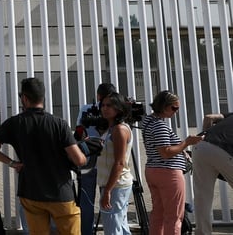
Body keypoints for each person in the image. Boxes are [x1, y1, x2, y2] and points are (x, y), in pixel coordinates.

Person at [0, 77, 87, 235]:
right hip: (60, 192)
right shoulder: (59, 124)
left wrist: (12, 163)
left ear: (24, 98)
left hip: (31, 191)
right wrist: (84, 148)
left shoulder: (14, 123)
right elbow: (79, 160)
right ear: (43, 97)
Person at [140, 90, 203, 235]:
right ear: (163, 106)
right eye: (174, 108)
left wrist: (182, 149)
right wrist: (187, 142)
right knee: (174, 217)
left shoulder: (149, 121)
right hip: (168, 173)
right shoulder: (160, 125)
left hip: (153, 170)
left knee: (158, 213)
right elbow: (166, 152)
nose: (176, 111)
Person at [75, 82, 116, 235]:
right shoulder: (115, 112)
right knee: (109, 200)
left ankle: (86, 232)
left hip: (88, 162)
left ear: (98, 95)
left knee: (86, 202)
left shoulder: (85, 109)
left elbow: (79, 133)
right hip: (107, 163)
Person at [95, 91, 133, 235]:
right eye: (103, 105)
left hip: (116, 185)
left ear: (119, 108)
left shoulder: (119, 130)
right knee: (119, 226)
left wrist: (108, 191)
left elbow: (119, 163)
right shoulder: (111, 128)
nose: (104, 108)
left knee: (112, 228)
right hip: (112, 184)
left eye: (109, 105)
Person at [192, 112, 233, 235]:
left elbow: (209, 117)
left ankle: (202, 232)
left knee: (202, 196)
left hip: (200, 145)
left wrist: (206, 135)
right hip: (223, 149)